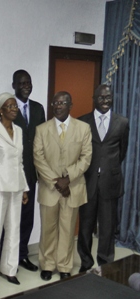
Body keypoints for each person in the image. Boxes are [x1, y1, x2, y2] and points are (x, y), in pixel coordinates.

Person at [33, 91, 92, 281]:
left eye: (62, 102)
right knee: (48, 229)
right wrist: (56, 181)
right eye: (55, 103)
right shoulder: (41, 129)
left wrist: (68, 178)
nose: (58, 106)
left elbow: (86, 158)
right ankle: (48, 264)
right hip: (50, 188)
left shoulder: (83, 128)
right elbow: (38, 158)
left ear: (70, 105)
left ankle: (65, 265)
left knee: (67, 229)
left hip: (72, 187)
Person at [0, 70, 46, 272]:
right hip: (8, 175)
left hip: (30, 175)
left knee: (26, 219)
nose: (26, 86)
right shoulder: (7, 108)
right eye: (21, 83)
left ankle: (21, 255)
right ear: (13, 85)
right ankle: (2, 260)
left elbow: (43, 140)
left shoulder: (39, 109)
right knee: (7, 219)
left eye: (28, 82)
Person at [77, 84, 129, 272]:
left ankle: (105, 264)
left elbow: (122, 151)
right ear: (94, 99)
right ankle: (86, 263)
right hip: (88, 182)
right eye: (101, 98)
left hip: (110, 183)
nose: (105, 101)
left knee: (107, 227)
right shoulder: (83, 122)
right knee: (85, 226)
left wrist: (107, 168)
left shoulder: (122, 122)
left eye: (108, 97)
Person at [0, 92, 29, 289]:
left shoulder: (19, 130)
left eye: (15, 106)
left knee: (14, 230)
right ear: (0, 110)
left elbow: (20, 162)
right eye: (9, 106)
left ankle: (9, 269)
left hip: (17, 187)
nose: (14, 109)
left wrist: (25, 188)